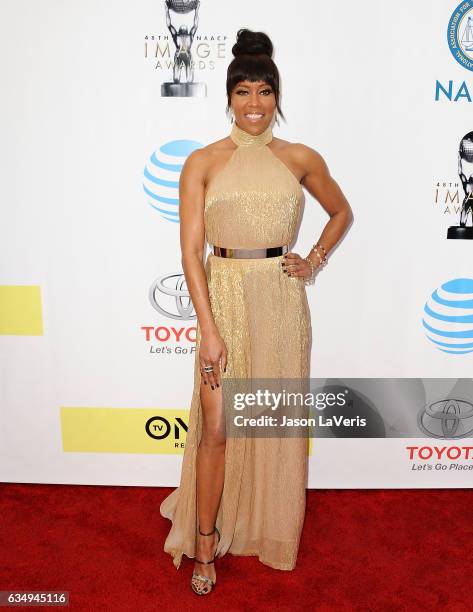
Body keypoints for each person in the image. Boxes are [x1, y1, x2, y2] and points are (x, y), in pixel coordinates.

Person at [160, 28, 353, 596]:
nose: (253, 104)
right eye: (243, 91)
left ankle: (266, 525)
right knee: (216, 428)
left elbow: (341, 211)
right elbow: (190, 254)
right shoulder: (202, 162)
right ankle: (203, 543)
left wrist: (312, 259)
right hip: (223, 299)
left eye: (264, 92)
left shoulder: (299, 157)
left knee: (269, 423)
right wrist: (208, 329)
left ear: (277, 97)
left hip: (280, 304)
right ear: (228, 97)